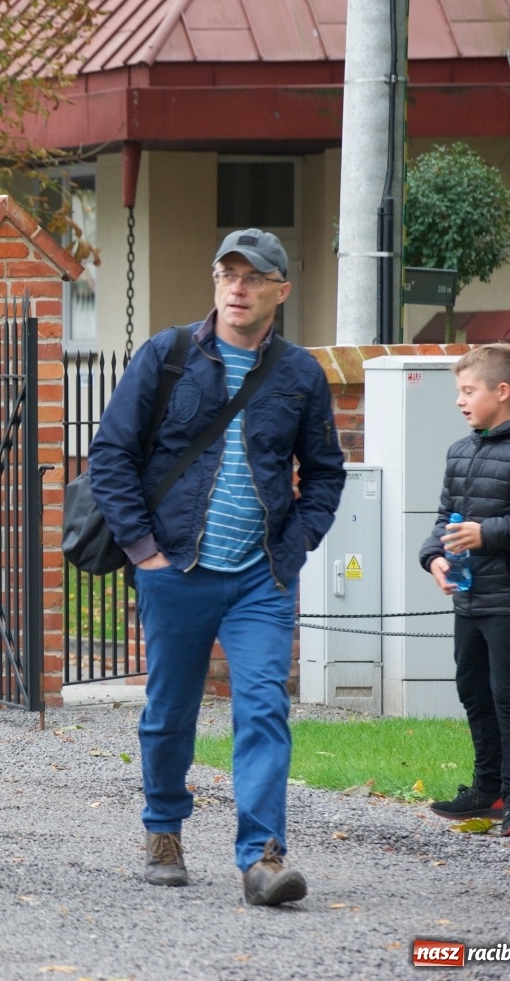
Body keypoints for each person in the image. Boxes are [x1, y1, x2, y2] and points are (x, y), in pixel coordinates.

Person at [88, 228, 345, 906]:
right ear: (215, 282)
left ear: (280, 291)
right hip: (176, 568)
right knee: (171, 707)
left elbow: (324, 473)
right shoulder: (167, 355)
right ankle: (164, 828)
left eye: (255, 276)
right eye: (229, 274)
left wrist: (293, 548)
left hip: (260, 576)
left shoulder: (300, 375)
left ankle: (262, 856)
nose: (239, 286)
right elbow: (110, 455)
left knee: (264, 705)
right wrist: (145, 549)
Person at [420, 344, 510, 838]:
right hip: (471, 596)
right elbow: (444, 519)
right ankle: (486, 790)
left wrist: (487, 534)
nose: (460, 401)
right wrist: (434, 557)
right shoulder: (459, 450)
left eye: (468, 391)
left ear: (501, 392)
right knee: (473, 691)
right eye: (459, 391)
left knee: (509, 696)